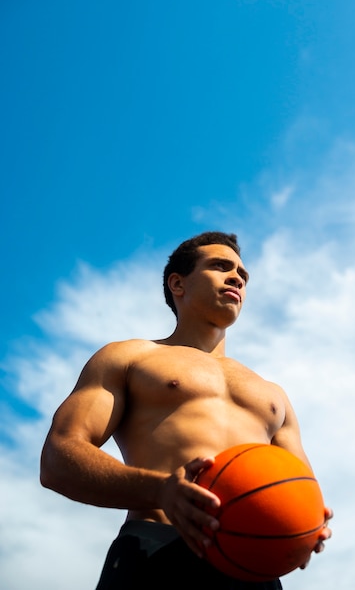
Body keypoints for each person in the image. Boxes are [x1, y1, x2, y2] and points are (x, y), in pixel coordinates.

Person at [40, 231, 332, 589]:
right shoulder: (129, 357)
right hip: (155, 548)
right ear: (177, 283)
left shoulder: (273, 395)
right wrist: (161, 490)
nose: (237, 277)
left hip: (252, 566)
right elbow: (58, 457)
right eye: (220, 266)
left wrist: (307, 524)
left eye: (242, 273)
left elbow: (300, 485)